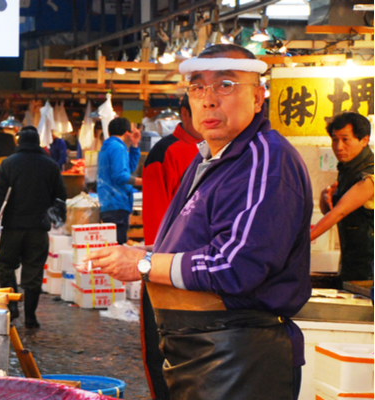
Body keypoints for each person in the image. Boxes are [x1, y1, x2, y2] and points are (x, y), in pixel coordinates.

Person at [84, 44, 312, 400]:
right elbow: (200, 246)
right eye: (197, 86)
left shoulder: (265, 159)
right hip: (200, 354)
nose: (208, 99)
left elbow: (235, 265)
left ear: (258, 97)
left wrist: (143, 263)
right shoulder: (211, 158)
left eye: (225, 84)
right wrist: (142, 251)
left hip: (238, 359)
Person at [139, 93, 203, 400]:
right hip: (167, 273)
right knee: (163, 354)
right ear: (184, 113)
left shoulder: (220, 152)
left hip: (204, 275)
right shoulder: (165, 152)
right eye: (200, 110)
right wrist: (157, 268)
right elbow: (155, 225)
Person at [0, 127, 67, 329]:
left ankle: (11, 307)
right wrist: (57, 220)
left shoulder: (8, 164)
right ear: (38, 143)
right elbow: (60, 197)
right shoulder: (50, 165)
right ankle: (31, 316)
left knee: (6, 266)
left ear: (19, 143)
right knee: (34, 271)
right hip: (39, 229)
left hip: (13, 227)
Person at [311, 112, 373, 286]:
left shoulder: (369, 176)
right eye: (335, 139)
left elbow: (339, 213)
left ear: (364, 140)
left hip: (368, 271)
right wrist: (325, 194)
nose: (338, 147)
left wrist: (300, 241)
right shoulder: (348, 170)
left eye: (345, 139)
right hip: (352, 266)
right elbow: (328, 210)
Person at [97, 117, 142, 244]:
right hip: (117, 202)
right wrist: (145, 182)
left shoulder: (109, 146)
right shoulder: (118, 147)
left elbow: (129, 168)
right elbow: (120, 176)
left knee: (113, 243)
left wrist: (134, 146)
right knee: (118, 244)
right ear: (127, 132)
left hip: (110, 202)